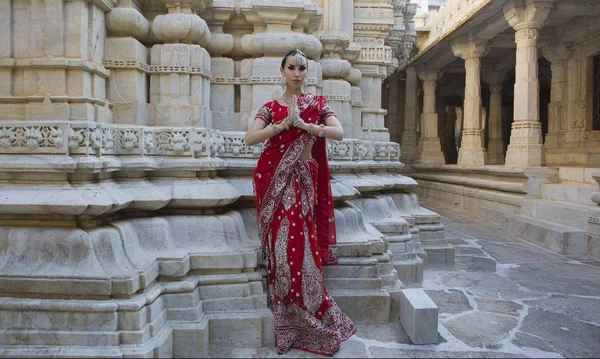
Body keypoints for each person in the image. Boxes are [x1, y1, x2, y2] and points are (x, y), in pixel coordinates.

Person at [245, 49, 356, 356]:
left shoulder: (317, 104)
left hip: (302, 182)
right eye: (291, 67)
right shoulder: (270, 107)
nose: (296, 73)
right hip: (273, 184)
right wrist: (283, 125)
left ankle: (308, 313)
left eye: (301, 68)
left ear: (307, 72)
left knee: (301, 245)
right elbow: (250, 138)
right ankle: (287, 317)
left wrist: (309, 127)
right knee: (281, 250)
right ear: (282, 71)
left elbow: (340, 132)